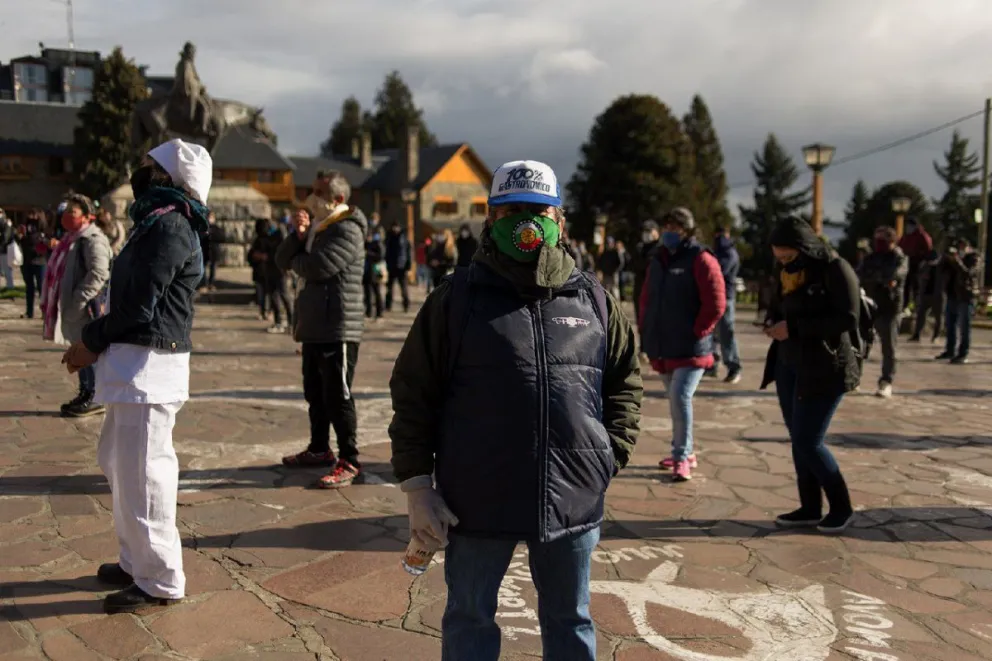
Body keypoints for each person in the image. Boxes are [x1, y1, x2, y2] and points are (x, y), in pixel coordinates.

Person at [389, 159, 642, 661]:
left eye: (538, 211)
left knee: (571, 620)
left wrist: (607, 456)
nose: (526, 223)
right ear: (491, 218)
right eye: (512, 211)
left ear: (559, 220)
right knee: (470, 618)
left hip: (572, 499)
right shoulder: (455, 300)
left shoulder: (594, 300)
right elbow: (414, 392)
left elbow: (625, 384)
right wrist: (417, 486)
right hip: (477, 501)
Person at [61, 138, 212, 613]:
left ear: (167, 175)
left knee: (146, 475)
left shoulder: (170, 225)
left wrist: (90, 341)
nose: (139, 169)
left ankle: (160, 578)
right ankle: (136, 560)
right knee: (119, 464)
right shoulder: (157, 220)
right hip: (137, 367)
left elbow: (139, 308)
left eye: (148, 163)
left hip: (151, 370)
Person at [759, 216, 858, 534]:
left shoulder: (834, 268)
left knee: (808, 440)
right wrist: (772, 321)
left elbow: (848, 318)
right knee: (798, 440)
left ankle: (842, 507)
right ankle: (810, 507)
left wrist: (795, 328)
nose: (783, 263)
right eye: (779, 258)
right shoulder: (784, 271)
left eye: (788, 257)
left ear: (805, 249)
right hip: (788, 363)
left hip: (825, 366)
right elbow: (780, 306)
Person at [276, 170, 367, 488]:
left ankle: (350, 459)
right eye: (311, 190)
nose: (311, 198)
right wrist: (298, 236)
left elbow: (317, 267)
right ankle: (319, 448)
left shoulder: (347, 228)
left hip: (337, 325)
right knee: (315, 392)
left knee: (337, 395)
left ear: (338, 199)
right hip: (314, 324)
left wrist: (298, 257)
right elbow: (281, 259)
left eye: (318, 192)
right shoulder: (318, 227)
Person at [639, 207, 725, 482]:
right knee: (675, 403)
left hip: (691, 347)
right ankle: (687, 451)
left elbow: (716, 302)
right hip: (664, 345)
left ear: (687, 230)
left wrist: (698, 331)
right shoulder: (658, 259)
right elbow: (647, 299)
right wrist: (645, 332)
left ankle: (681, 456)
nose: (669, 232)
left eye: (675, 228)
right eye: (666, 227)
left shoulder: (701, 258)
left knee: (680, 398)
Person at [44, 194, 112, 417]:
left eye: (72, 212)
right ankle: (86, 392)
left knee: (88, 350)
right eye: (65, 212)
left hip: (86, 308)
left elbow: (99, 273)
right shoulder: (71, 239)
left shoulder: (92, 239)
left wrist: (79, 300)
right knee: (79, 349)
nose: (66, 216)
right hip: (75, 308)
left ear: (86, 216)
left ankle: (95, 396)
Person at [857, 226, 908, 398]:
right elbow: (860, 275)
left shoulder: (899, 258)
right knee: (859, 343)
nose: (879, 244)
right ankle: (854, 377)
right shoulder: (872, 257)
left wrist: (877, 278)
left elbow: (892, 275)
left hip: (890, 307)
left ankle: (886, 381)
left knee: (888, 347)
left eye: (882, 240)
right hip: (870, 305)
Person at [937, 238, 979, 364]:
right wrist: (945, 259)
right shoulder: (953, 259)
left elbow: (968, 273)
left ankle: (963, 353)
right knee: (950, 325)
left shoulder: (973, 257)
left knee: (964, 326)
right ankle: (950, 350)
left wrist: (957, 262)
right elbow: (941, 271)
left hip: (965, 295)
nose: (960, 250)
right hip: (952, 294)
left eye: (962, 247)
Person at [709, 225, 742, 384]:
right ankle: (712, 364)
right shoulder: (719, 252)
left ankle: (734, 367)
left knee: (726, 333)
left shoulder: (728, 253)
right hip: (713, 296)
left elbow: (717, 272)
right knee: (712, 333)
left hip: (725, 297)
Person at [632, 220, 660, 356]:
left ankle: (654, 347)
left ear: (656, 232)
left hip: (654, 289)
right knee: (641, 319)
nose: (646, 234)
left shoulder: (660, 249)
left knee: (654, 320)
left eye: (649, 231)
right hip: (640, 288)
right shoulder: (640, 248)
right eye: (644, 232)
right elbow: (635, 265)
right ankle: (644, 347)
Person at [18, 210, 51, 319]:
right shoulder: (25, 226)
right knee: (29, 288)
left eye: (34, 214)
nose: (31, 217)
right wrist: (20, 236)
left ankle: (44, 312)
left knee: (42, 288)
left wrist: (42, 240)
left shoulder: (44, 228)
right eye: (30, 214)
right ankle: (29, 312)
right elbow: (20, 241)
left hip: (40, 261)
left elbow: (49, 241)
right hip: (27, 260)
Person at [898, 216, 933, 312]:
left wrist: (921, 258)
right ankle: (905, 306)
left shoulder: (922, 235)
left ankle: (916, 307)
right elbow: (900, 246)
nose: (907, 227)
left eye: (909, 225)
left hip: (917, 264)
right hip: (906, 263)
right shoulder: (906, 236)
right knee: (906, 285)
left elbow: (928, 250)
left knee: (916, 286)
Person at [910, 250, 944, 343]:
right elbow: (919, 277)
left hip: (938, 295)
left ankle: (936, 335)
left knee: (938, 317)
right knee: (921, 314)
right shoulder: (925, 266)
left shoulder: (941, 267)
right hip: (925, 294)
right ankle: (916, 334)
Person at [384, 223, 412, 313]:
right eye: (394, 227)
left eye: (397, 227)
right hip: (391, 266)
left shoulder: (404, 239)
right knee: (389, 288)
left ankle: (406, 305)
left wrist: (408, 266)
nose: (395, 229)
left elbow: (409, 253)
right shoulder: (389, 238)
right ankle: (388, 305)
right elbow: (386, 252)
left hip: (401, 267)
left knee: (404, 288)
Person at [247, 220, 269, 320]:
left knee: (263, 293)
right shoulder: (268, 239)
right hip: (263, 271)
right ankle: (265, 311)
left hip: (261, 271)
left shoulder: (258, 240)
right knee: (265, 293)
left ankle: (264, 311)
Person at [363, 224, 385, 320]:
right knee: (367, 294)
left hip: (375, 272)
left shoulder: (377, 244)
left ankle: (379, 312)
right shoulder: (365, 244)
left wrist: (368, 254)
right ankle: (369, 312)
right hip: (366, 272)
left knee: (377, 292)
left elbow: (380, 256)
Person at [0, 209, 15, 289]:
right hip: (2, 249)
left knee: (7, 269)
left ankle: (10, 286)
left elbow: (5, 237)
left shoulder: (6, 223)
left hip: (5, 250)